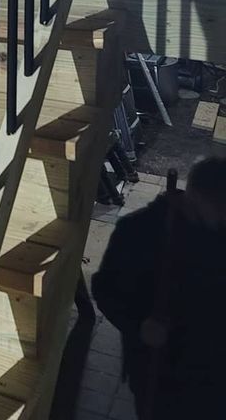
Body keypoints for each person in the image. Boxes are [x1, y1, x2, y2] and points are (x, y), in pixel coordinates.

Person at [92, 157, 226, 418]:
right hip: (162, 371)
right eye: (220, 208)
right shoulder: (139, 232)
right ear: (196, 197)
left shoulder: (218, 230)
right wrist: (139, 325)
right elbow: (105, 290)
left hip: (213, 372)